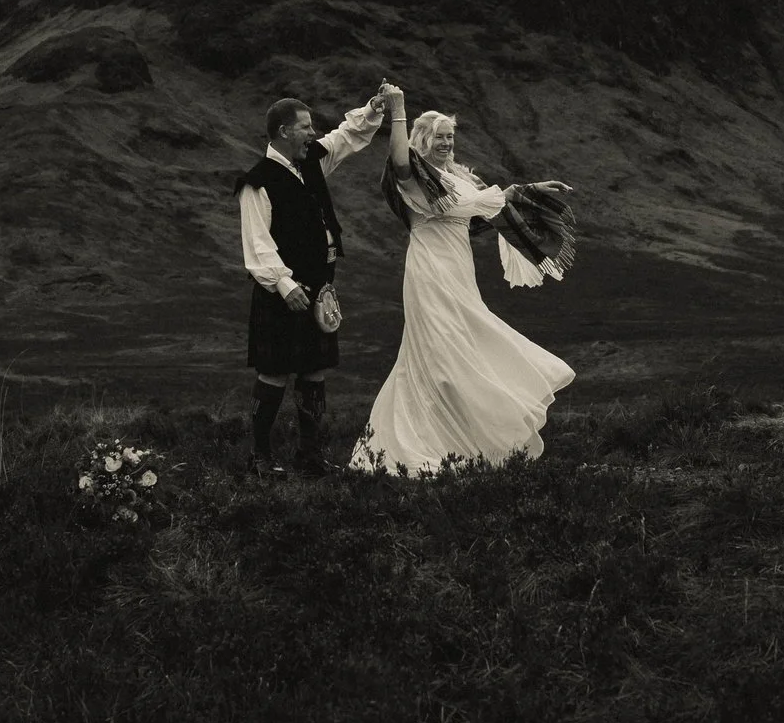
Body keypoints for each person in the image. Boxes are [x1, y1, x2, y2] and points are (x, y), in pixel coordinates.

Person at [350, 92, 576, 476]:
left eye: (450, 136)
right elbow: (400, 161)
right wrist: (399, 111)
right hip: (429, 271)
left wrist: (534, 188)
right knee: (439, 352)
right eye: (438, 136)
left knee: (464, 344)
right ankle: (419, 444)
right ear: (423, 139)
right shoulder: (416, 176)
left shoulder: (460, 178)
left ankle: (465, 441)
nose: (445, 142)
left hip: (459, 270)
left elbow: (493, 203)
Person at [235, 85, 392, 476]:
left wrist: (373, 109)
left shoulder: (311, 162)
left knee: (314, 369)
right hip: (282, 292)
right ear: (284, 131)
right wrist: (284, 285)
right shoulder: (258, 181)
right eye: (305, 127)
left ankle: (310, 457)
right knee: (274, 370)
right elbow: (257, 243)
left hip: (320, 290)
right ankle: (260, 457)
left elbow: (344, 138)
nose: (312, 133)